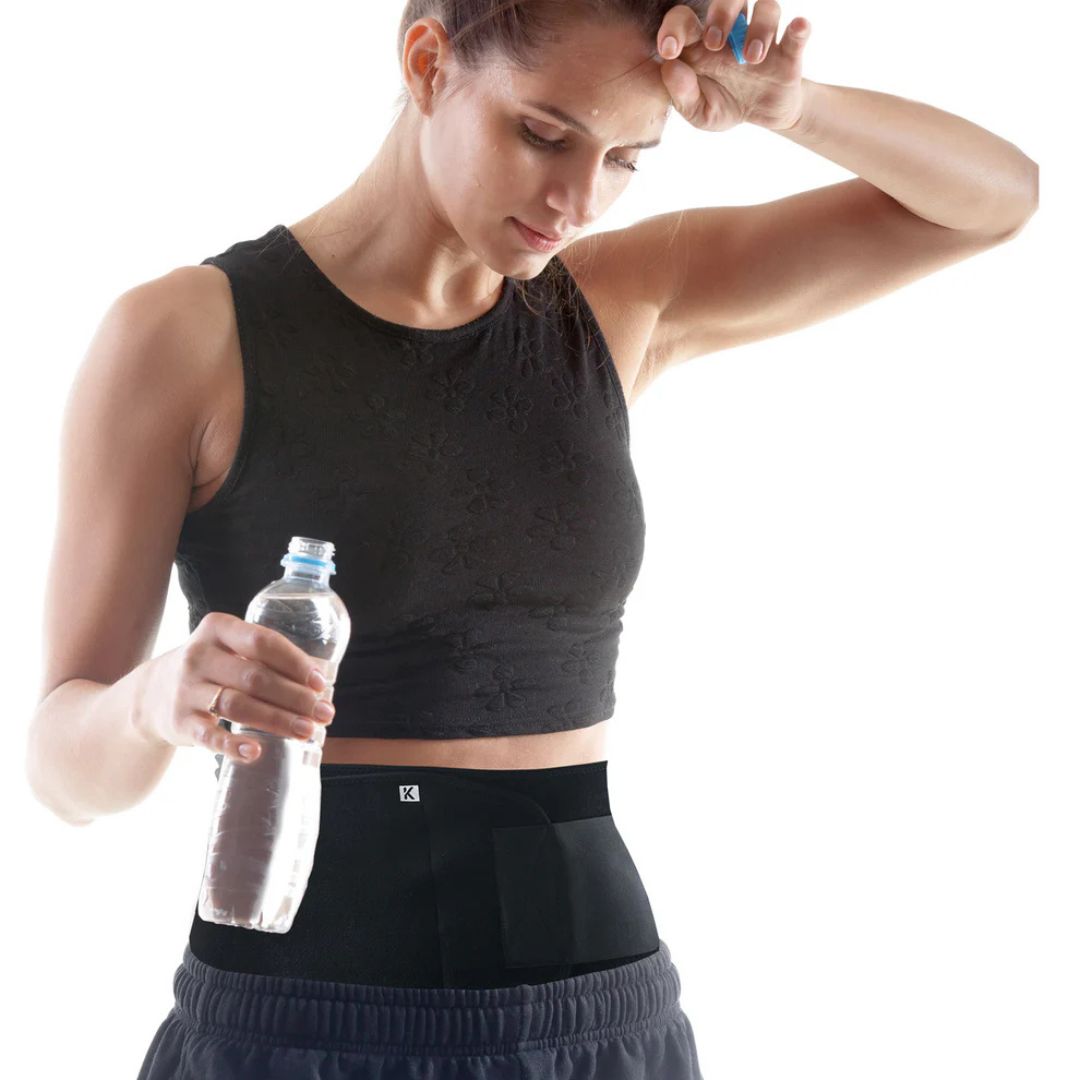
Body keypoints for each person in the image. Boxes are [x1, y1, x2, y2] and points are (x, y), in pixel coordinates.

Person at [27, 1, 1037, 1077]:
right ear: (428, 62)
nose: (579, 200)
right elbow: (62, 771)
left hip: (598, 1025)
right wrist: (154, 700)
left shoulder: (615, 304)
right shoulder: (186, 334)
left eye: (627, 159)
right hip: (300, 1025)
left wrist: (793, 108)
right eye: (544, 135)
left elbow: (993, 202)